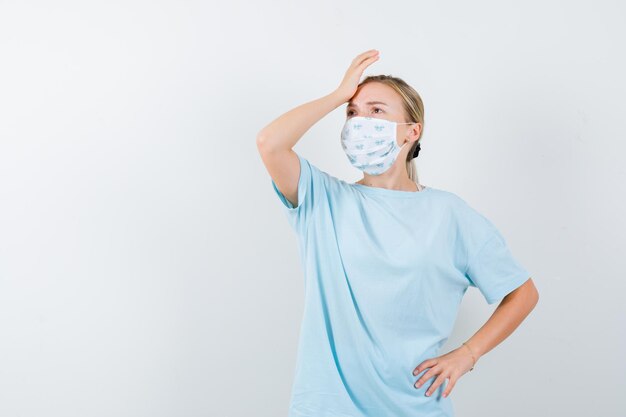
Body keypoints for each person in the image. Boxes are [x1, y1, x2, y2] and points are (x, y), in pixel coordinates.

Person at [256, 49, 539, 417]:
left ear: (412, 131)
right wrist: (337, 95)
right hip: (327, 407)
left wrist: (467, 354)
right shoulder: (323, 200)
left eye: (376, 111)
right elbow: (270, 143)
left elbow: (522, 293)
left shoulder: (450, 214)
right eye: (352, 113)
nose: (359, 121)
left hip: (416, 406)